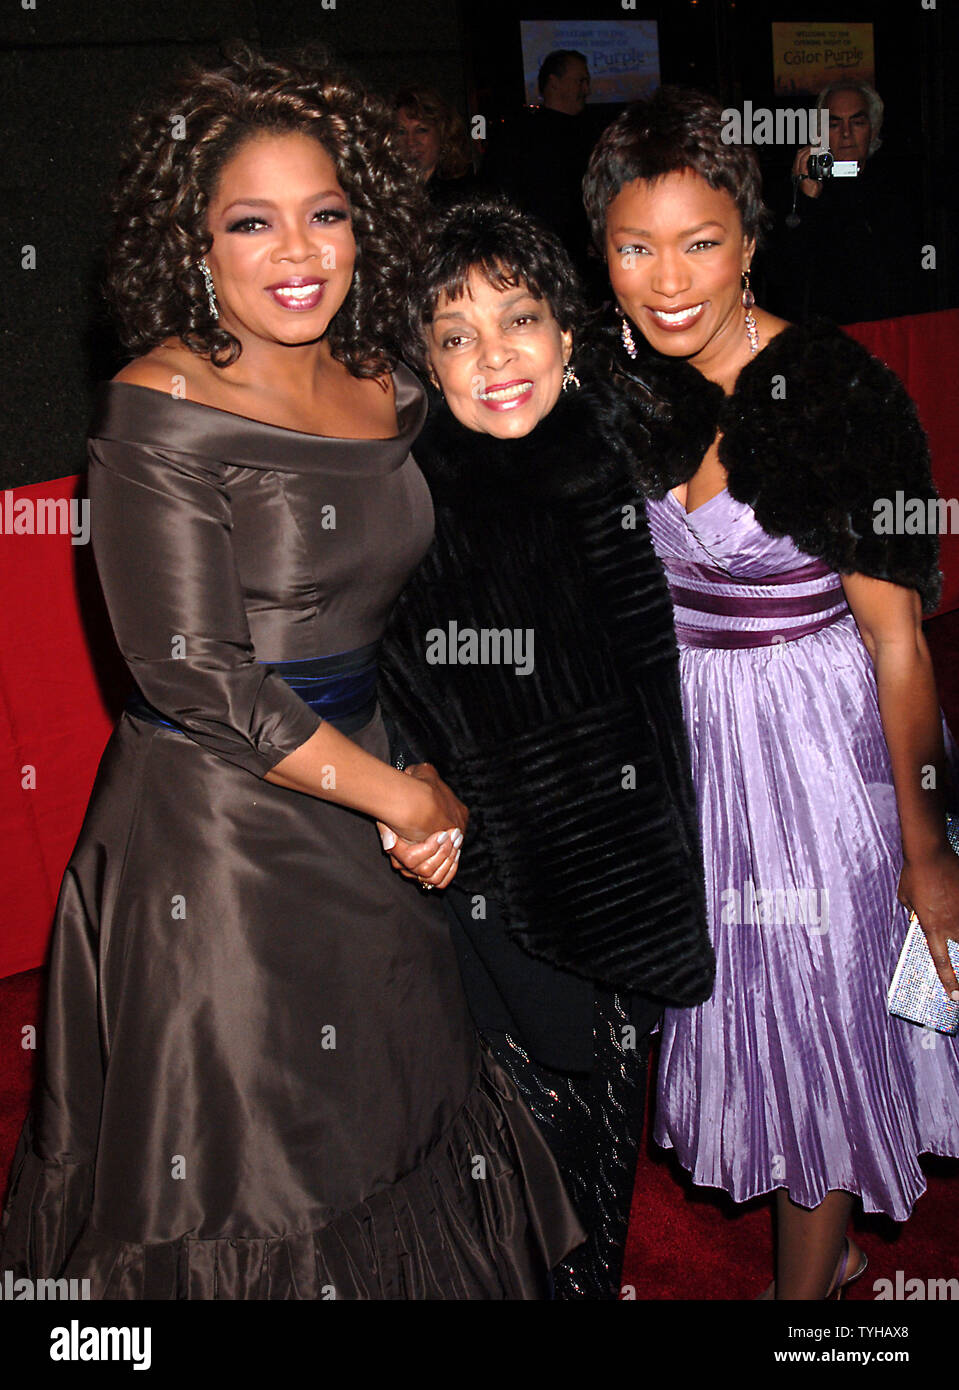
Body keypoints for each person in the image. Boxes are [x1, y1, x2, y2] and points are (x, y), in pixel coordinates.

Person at [0, 48, 585, 1300]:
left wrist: (427, 758)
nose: (297, 250)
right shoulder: (152, 404)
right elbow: (190, 676)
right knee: (255, 1173)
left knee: (394, 1114)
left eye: (323, 213)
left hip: (376, 789)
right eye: (250, 222)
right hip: (219, 845)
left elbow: (456, 559)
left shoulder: (382, 375)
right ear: (194, 244)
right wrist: (397, 798)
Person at [583, 85, 959, 1300]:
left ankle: (805, 1299)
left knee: (815, 1006)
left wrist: (924, 849)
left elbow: (897, 644)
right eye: (634, 246)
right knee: (736, 996)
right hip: (694, 745)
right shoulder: (621, 387)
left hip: (813, 744)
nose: (666, 276)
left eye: (699, 241)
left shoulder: (834, 394)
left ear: (748, 241)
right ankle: (831, 1248)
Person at [375, 198, 715, 1299]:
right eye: (456, 337)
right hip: (495, 898)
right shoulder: (411, 498)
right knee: (518, 1167)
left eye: (517, 319)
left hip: (641, 867)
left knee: (605, 1142)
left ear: (567, 334)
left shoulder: (621, 452)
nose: (494, 358)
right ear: (423, 362)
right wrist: (417, 793)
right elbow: (384, 690)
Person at [761, 80, 931, 323]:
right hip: (822, 341)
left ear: (873, 129)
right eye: (834, 123)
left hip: (886, 334)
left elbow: (918, 273)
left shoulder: (897, 192)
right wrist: (806, 199)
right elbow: (782, 276)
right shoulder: (798, 191)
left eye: (857, 122)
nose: (846, 133)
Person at [481, 52, 597, 277]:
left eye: (587, 81)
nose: (587, 90)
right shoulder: (517, 135)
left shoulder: (590, 132)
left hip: (579, 263)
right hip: (536, 262)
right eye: (580, 81)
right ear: (554, 83)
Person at [392, 86, 476, 205]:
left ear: (443, 133)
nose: (410, 141)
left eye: (421, 130)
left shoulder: (463, 196)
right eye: (401, 132)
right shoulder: (386, 193)